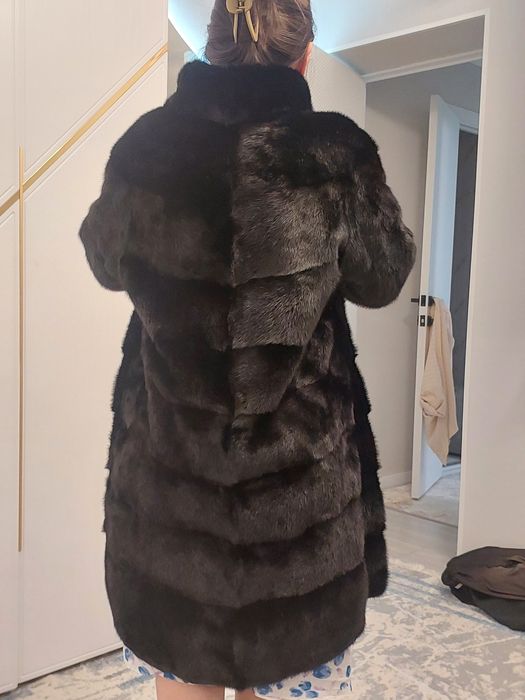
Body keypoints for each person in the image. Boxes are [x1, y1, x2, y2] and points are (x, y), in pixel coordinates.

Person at [79, 1, 416, 699]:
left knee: (180, 661)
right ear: (305, 54)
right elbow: (384, 277)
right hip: (298, 520)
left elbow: (104, 260)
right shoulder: (336, 152)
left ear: (212, 45)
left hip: (171, 503)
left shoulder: (146, 148)